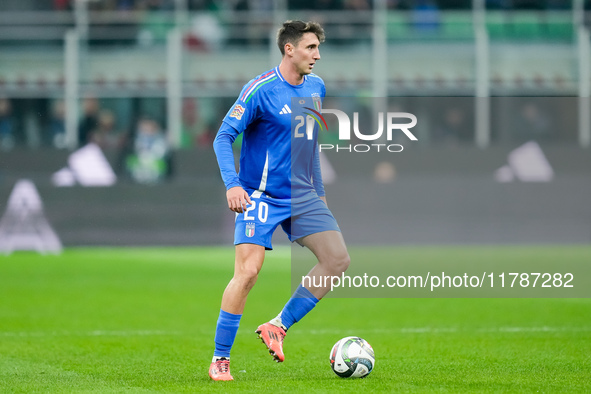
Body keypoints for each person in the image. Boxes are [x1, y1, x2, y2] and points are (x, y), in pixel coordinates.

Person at [209, 20, 351, 381]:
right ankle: (220, 358)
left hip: (302, 195)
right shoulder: (260, 90)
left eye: (318, 48)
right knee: (248, 273)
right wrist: (232, 184)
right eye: (310, 48)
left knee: (337, 260)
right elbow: (222, 138)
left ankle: (278, 326)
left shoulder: (315, 86)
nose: (317, 55)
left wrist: (318, 192)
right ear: (289, 49)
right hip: (259, 196)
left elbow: (310, 143)